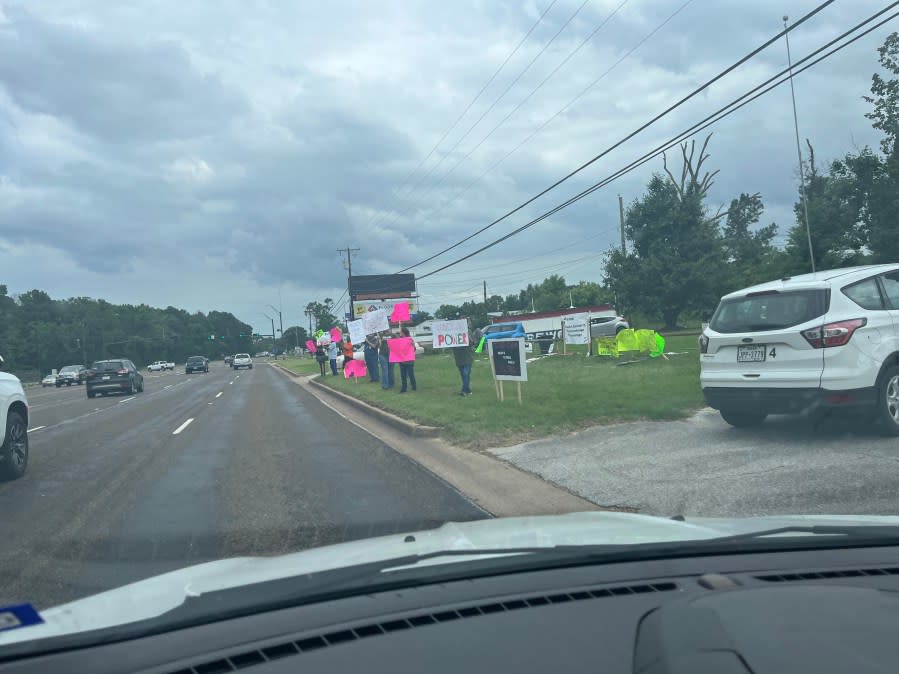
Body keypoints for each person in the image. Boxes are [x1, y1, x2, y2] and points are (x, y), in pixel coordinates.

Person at [453, 319, 475, 396]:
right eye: (469, 323)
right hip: (461, 356)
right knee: (464, 374)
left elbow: (472, 342)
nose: (470, 324)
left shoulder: (468, 331)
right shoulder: (454, 332)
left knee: (465, 374)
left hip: (466, 356)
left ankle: (464, 390)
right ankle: (467, 389)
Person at [396, 326, 417, 393]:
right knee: (403, 375)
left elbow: (414, 350)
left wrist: (413, 345)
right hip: (402, 361)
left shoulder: (409, 339)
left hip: (409, 361)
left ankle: (414, 387)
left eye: (401, 332)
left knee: (411, 374)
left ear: (403, 332)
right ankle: (404, 388)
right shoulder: (400, 339)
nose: (400, 333)